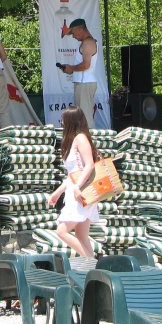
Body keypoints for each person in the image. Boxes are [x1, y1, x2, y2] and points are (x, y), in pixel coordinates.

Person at [48, 105, 99, 258]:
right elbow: (72, 174)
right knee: (81, 236)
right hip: (77, 191)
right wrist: (58, 192)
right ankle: (93, 266)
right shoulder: (75, 140)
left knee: (62, 231)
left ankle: (90, 262)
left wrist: (77, 187)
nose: (61, 122)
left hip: (80, 192)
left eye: (63, 119)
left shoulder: (80, 138)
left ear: (71, 120)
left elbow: (89, 165)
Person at [62, 18, 98, 129]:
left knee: (85, 118)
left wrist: (71, 69)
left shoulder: (88, 43)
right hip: (83, 83)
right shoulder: (87, 42)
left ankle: (90, 139)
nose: (73, 36)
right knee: (81, 118)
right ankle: (86, 138)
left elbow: (86, 65)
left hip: (85, 84)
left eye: (73, 32)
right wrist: (70, 69)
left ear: (80, 28)